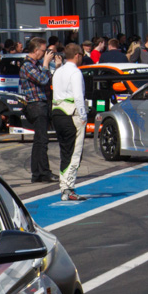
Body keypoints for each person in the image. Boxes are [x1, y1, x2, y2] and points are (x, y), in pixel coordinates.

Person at [51, 44, 87, 202]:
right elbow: (78, 96)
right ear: (78, 55)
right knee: (74, 152)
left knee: (65, 151)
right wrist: (83, 115)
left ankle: (64, 186)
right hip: (72, 113)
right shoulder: (75, 72)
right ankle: (68, 188)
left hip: (57, 112)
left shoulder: (58, 71)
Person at [19, 37, 57, 183]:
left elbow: (48, 80)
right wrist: (46, 64)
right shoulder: (27, 66)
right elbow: (42, 79)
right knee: (41, 141)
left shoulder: (36, 64)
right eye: (43, 50)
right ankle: (43, 173)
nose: (45, 53)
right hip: (36, 105)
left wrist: (55, 65)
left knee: (39, 141)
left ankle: (38, 174)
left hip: (42, 104)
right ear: (35, 50)